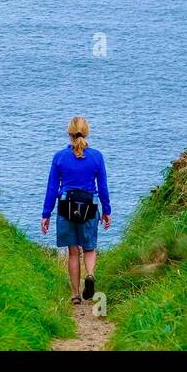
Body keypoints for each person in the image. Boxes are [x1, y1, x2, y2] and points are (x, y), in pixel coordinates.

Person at [41, 116, 112, 304]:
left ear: (69, 133)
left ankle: (75, 295)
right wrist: (107, 210)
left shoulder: (60, 157)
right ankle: (90, 275)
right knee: (89, 247)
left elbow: (51, 187)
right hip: (90, 204)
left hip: (67, 205)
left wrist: (46, 214)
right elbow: (103, 187)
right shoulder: (97, 156)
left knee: (73, 251)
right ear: (86, 132)